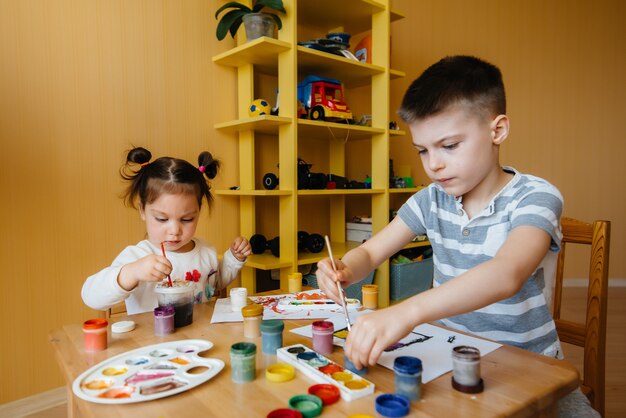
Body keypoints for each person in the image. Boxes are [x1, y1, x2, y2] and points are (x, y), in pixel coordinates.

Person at [316, 56, 598, 417]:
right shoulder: (431, 200)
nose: (434, 164)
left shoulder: (535, 197)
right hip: (451, 361)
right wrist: (344, 267)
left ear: (497, 130)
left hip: (529, 368)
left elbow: (506, 273)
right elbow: (370, 254)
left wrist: (407, 312)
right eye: (423, 150)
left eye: (449, 146)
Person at [82, 147, 251, 315]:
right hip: (152, 340)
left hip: (198, 339)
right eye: (162, 219)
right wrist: (133, 273)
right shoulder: (138, 256)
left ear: (199, 211)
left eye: (187, 219)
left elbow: (216, 282)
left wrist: (234, 258)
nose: (174, 231)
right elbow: (90, 296)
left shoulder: (205, 251)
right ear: (142, 211)